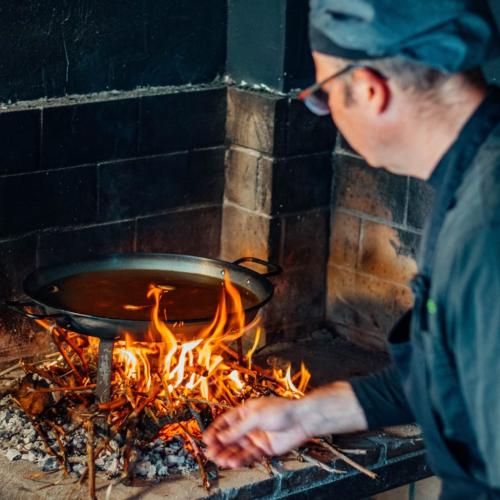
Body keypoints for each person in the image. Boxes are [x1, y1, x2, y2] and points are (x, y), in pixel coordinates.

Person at [203, 0, 500, 498]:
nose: (326, 113)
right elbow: (455, 375)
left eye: (322, 96)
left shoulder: (485, 231)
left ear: (368, 90)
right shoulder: (475, 170)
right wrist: (308, 413)